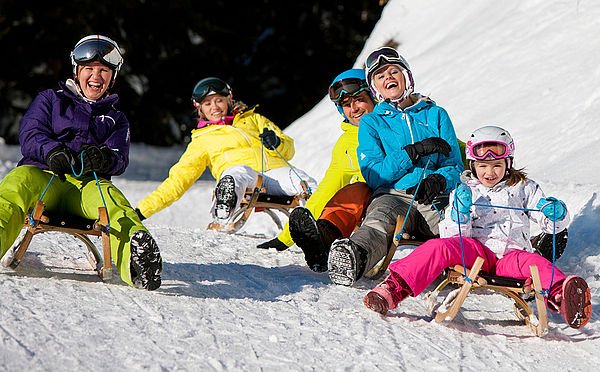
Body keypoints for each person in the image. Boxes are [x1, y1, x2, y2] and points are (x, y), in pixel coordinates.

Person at [363, 125, 592, 329]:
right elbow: (453, 236)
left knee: (535, 262)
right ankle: (393, 289)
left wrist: (554, 213)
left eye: (496, 165)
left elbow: (552, 226)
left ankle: (564, 295)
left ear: (508, 163)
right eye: (482, 165)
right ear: (472, 165)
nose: (489, 173)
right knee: (439, 247)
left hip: (511, 258)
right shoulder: (466, 190)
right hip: (476, 254)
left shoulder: (524, 187)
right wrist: (459, 213)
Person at [0, 35, 162, 290]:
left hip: (88, 186)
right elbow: (31, 134)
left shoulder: (115, 118)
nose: (96, 77)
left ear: (113, 77)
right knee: (15, 187)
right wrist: (52, 151)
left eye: (103, 71)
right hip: (45, 175)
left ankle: (137, 259)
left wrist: (105, 158)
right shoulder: (51, 100)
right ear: (77, 71)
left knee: (114, 205)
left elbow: (120, 157)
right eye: (89, 69)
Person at [327, 47, 464, 286]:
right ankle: (355, 257)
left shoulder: (436, 115)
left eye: (393, 71)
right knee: (379, 220)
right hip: (394, 195)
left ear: (406, 77)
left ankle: (513, 264)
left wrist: (439, 180)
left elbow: (454, 164)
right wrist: (412, 152)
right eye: (380, 76)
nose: (388, 77)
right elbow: (375, 174)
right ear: (375, 88)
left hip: (435, 195)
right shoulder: (372, 122)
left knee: (463, 224)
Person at [136, 77, 317, 226]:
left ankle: (319, 226)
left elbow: (289, 149)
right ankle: (225, 206)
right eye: (207, 104)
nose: (214, 107)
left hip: (276, 174)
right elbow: (178, 180)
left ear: (229, 99)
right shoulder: (202, 140)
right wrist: (142, 211)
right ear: (199, 108)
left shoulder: (253, 119)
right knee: (236, 173)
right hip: (245, 179)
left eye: (219, 100)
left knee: (304, 182)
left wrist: (277, 142)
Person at [257, 69, 375, 272]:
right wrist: (286, 239)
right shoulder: (345, 143)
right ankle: (322, 242)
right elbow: (327, 188)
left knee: (358, 189)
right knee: (347, 194)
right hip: (363, 204)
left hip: (396, 198)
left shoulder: (393, 126)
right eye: (346, 105)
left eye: (360, 100)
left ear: (374, 97)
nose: (354, 108)